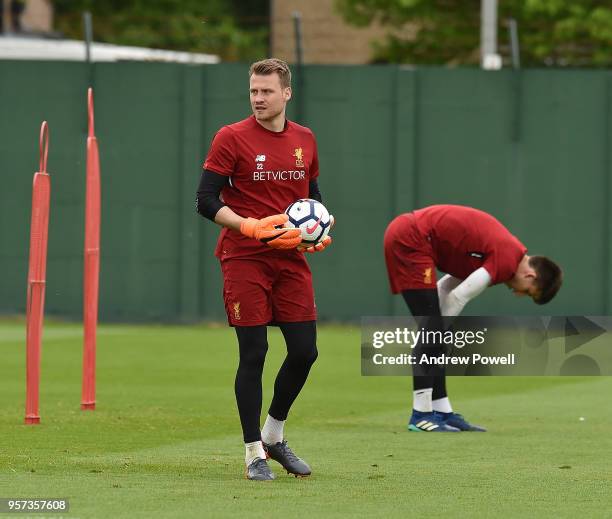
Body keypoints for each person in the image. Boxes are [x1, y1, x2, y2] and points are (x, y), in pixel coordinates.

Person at [196, 58, 332, 480]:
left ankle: (274, 435)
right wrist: (247, 226)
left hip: (290, 259)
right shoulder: (231, 137)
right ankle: (254, 452)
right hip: (244, 256)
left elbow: (312, 197)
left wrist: (318, 231)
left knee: (305, 351)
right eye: (253, 91)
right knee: (254, 353)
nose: (258, 98)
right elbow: (205, 199)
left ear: (286, 93)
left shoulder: (305, 139)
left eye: (266, 91)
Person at [383, 204, 562, 432]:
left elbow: (449, 284)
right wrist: (436, 332)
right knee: (434, 334)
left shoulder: (505, 253)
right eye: (527, 291)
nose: (518, 294)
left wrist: (436, 330)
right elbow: (459, 296)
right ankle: (421, 415)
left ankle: (442, 412)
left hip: (413, 236)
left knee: (436, 333)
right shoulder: (507, 259)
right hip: (411, 238)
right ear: (530, 275)